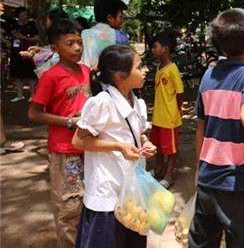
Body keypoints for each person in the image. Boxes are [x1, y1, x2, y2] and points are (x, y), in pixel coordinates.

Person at [189, 8, 244, 248]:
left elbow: (201, 126)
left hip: (208, 179)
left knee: (202, 242)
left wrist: (198, 167)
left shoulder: (208, 75)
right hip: (238, 182)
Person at [72, 45, 156, 248]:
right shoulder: (102, 103)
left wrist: (145, 142)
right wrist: (119, 147)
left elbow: (138, 132)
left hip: (133, 191)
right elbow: (78, 140)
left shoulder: (137, 102)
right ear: (121, 75)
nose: (145, 70)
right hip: (107, 193)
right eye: (139, 66)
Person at [27, 19, 91, 248]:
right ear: (54, 48)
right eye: (70, 43)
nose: (77, 48)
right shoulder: (51, 76)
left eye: (80, 43)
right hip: (65, 153)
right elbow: (34, 113)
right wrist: (68, 121)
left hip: (88, 149)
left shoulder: (85, 71)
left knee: (88, 201)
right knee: (68, 207)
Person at [150, 31, 184, 189]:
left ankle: (169, 175)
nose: (152, 49)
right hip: (158, 117)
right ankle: (158, 169)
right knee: (156, 146)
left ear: (165, 49)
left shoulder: (173, 69)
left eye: (155, 46)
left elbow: (179, 92)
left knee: (170, 148)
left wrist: (178, 110)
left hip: (169, 118)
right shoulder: (159, 67)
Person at [81, 0, 129, 69]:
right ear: (110, 17)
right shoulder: (121, 37)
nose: (122, 21)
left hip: (87, 78)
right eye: (120, 16)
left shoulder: (84, 34)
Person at [20, 8, 70, 77]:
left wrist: (32, 55)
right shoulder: (69, 32)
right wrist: (41, 49)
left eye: (47, 20)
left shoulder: (58, 35)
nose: (46, 23)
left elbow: (57, 56)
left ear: (52, 21)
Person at [9, 7, 39, 102]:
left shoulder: (31, 25)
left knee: (31, 74)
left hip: (29, 52)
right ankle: (19, 94)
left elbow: (37, 38)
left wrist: (25, 38)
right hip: (15, 52)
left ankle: (33, 94)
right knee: (17, 74)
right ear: (18, 16)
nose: (24, 17)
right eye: (22, 15)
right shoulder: (13, 25)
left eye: (26, 15)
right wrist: (7, 42)